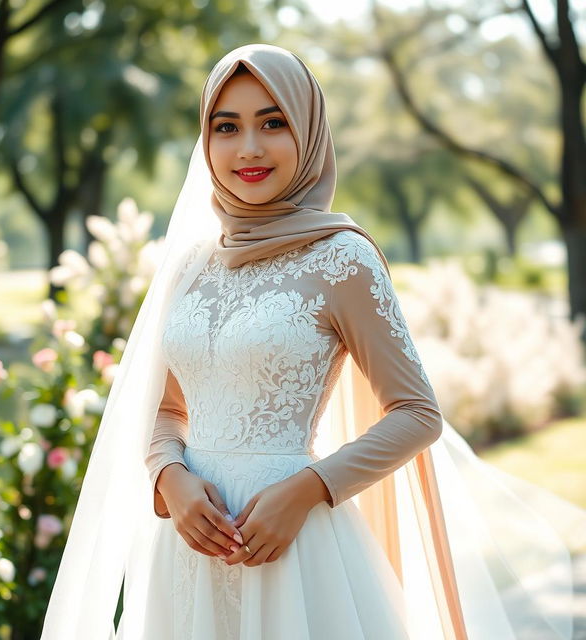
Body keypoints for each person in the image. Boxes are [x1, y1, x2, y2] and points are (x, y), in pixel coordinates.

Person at [40, 44, 586, 640]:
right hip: (188, 550)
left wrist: (305, 492)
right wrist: (169, 476)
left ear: (308, 130)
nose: (248, 147)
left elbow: (417, 414)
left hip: (290, 543)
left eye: (273, 122)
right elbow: (169, 410)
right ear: (206, 141)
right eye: (227, 127)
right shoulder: (193, 264)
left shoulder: (342, 257)